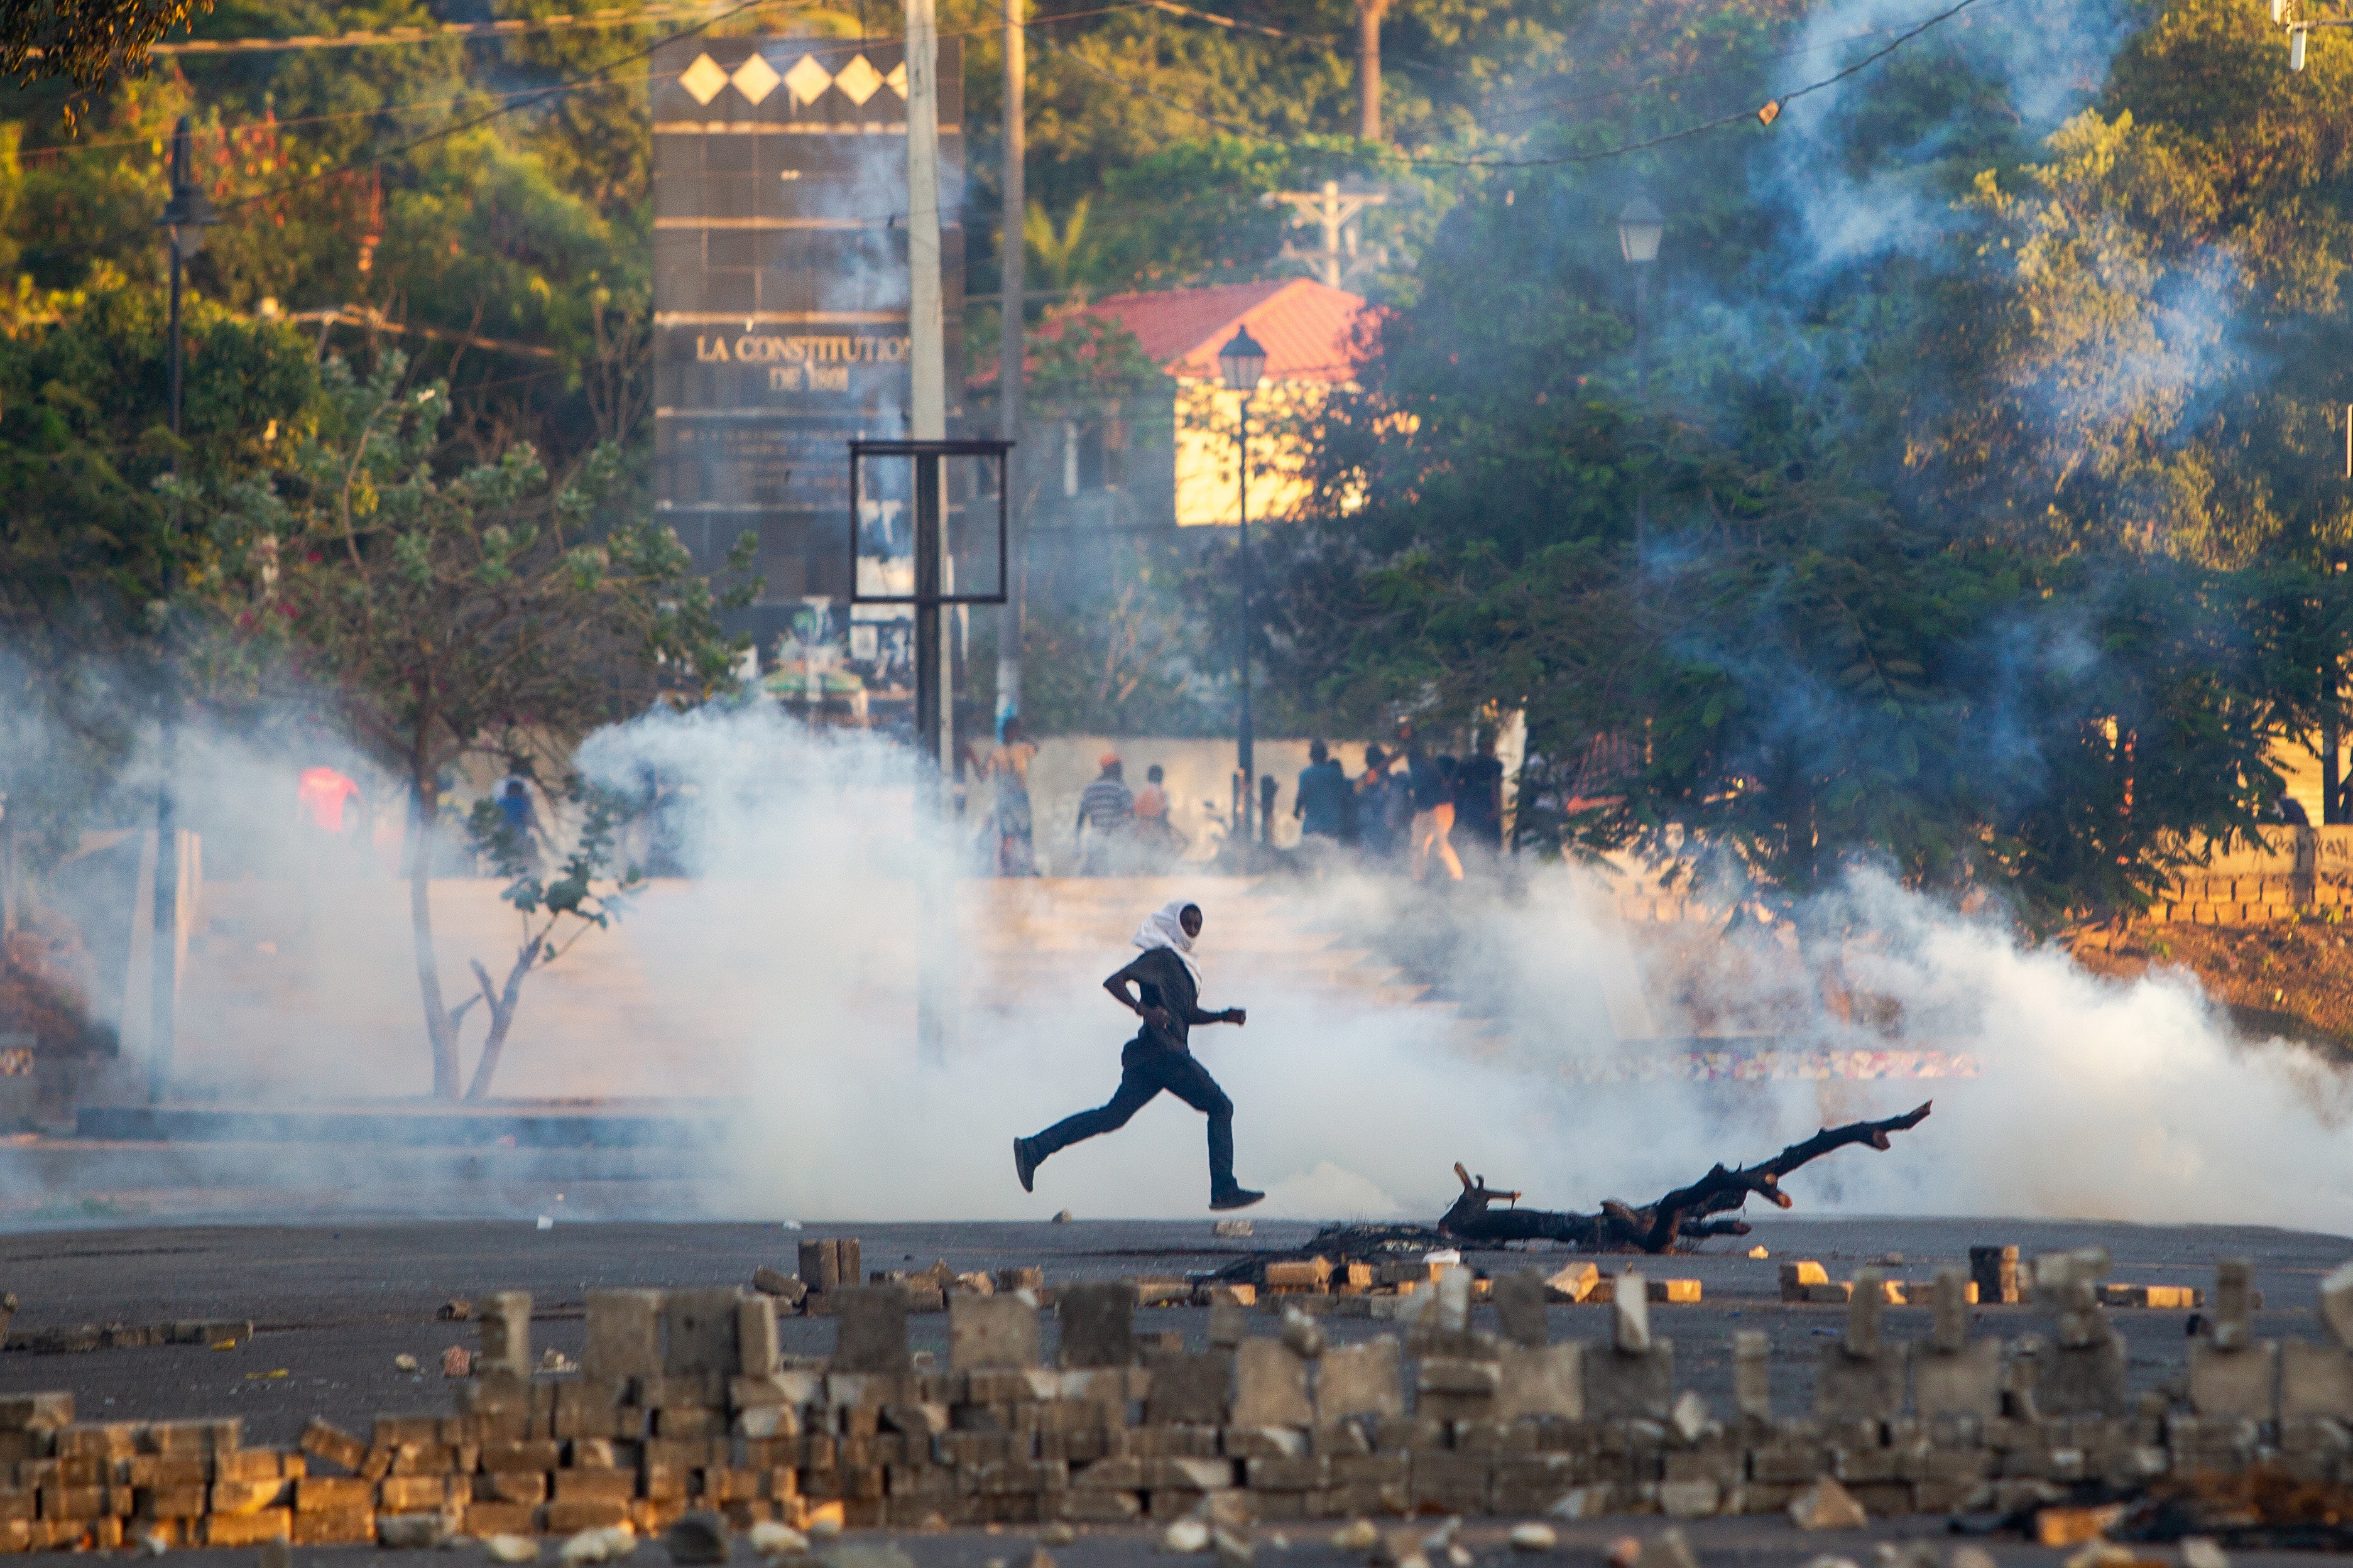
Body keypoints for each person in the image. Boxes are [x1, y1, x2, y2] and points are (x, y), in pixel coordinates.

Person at [1013, 900, 1263, 1211]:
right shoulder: (1162, 957)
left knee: (1111, 1117)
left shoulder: (1185, 967)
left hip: (1150, 1058)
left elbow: (1186, 1014)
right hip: (1165, 1053)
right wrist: (1142, 1009)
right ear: (1173, 924)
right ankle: (1224, 1190)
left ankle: (1034, 1149)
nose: (1192, 929)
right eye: (1187, 923)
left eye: (1197, 925)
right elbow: (1114, 981)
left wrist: (1224, 1016)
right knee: (1221, 1106)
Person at [973, 717, 1040, 876]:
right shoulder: (1017, 749)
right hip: (1014, 797)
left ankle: (1015, 871)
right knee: (1017, 836)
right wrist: (1022, 736)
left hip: (1009, 797)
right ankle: (1021, 870)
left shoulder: (1004, 751)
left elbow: (983, 776)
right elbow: (1036, 748)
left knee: (1013, 837)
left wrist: (974, 761)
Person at [1406, 739, 1464, 881]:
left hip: (1440, 810)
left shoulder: (1430, 769)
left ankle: (1457, 877)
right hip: (1427, 810)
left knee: (1441, 845)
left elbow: (1437, 791)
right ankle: (1418, 878)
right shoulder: (1422, 769)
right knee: (1419, 846)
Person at [1075, 754, 1135, 876]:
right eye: (1118, 766)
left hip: (1096, 838)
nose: (1121, 769)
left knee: (1096, 875)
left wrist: (1077, 839)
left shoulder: (1090, 788)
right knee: (1115, 877)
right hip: (1115, 840)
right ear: (1110, 768)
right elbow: (1131, 813)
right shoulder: (1120, 788)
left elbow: (1081, 815)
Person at [1455, 732, 1505, 850]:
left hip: (1475, 807)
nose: (1490, 748)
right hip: (1481, 807)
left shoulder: (1467, 762)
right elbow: (1495, 787)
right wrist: (1496, 808)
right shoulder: (1494, 765)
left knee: (1478, 841)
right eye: (1488, 745)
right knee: (1487, 842)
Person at [1295, 741, 1349, 850]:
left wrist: (1296, 811)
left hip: (1311, 828)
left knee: (1308, 857)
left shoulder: (1305, 774)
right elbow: (1344, 797)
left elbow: (1301, 796)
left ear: (1311, 756)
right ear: (1326, 755)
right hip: (1333, 827)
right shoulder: (1336, 774)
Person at [1355, 744, 1398, 859]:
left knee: (1374, 854)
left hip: (1377, 823)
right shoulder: (1388, 779)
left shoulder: (1384, 780)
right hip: (1377, 824)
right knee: (1382, 855)